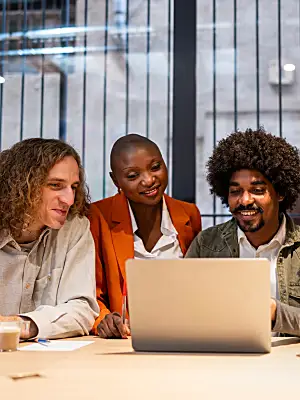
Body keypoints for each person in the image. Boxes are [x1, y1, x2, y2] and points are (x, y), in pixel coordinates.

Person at [186, 127, 300, 336]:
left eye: (257, 190)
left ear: (281, 193)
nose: (245, 200)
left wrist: (276, 313)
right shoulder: (207, 244)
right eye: (235, 191)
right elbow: (181, 308)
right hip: (224, 360)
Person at [89, 134, 202, 338]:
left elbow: (198, 282)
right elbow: (90, 292)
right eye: (133, 176)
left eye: (156, 167)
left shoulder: (188, 214)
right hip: (126, 341)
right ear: (116, 180)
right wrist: (103, 319)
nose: (149, 180)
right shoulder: (98, 217)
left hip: (183, 334)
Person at [0, 138, 99, 339]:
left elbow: (82, 308)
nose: (69, 200)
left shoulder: (75, 228)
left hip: (46, 362)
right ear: (22, 185)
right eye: (55, 185)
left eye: (73, 187)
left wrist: (22, 326)